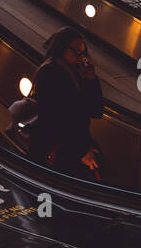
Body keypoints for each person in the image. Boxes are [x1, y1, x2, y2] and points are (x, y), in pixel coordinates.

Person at [29, 27, 104, 180]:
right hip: (59, 148)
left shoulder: (75, 73)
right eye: (77, 51)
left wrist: (91, 79)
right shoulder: (50, 73)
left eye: (83, 52)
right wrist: (81, 151)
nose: (81, 57)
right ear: (62, 48)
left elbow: (95, 110)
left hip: (73, 145)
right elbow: (57, 118)